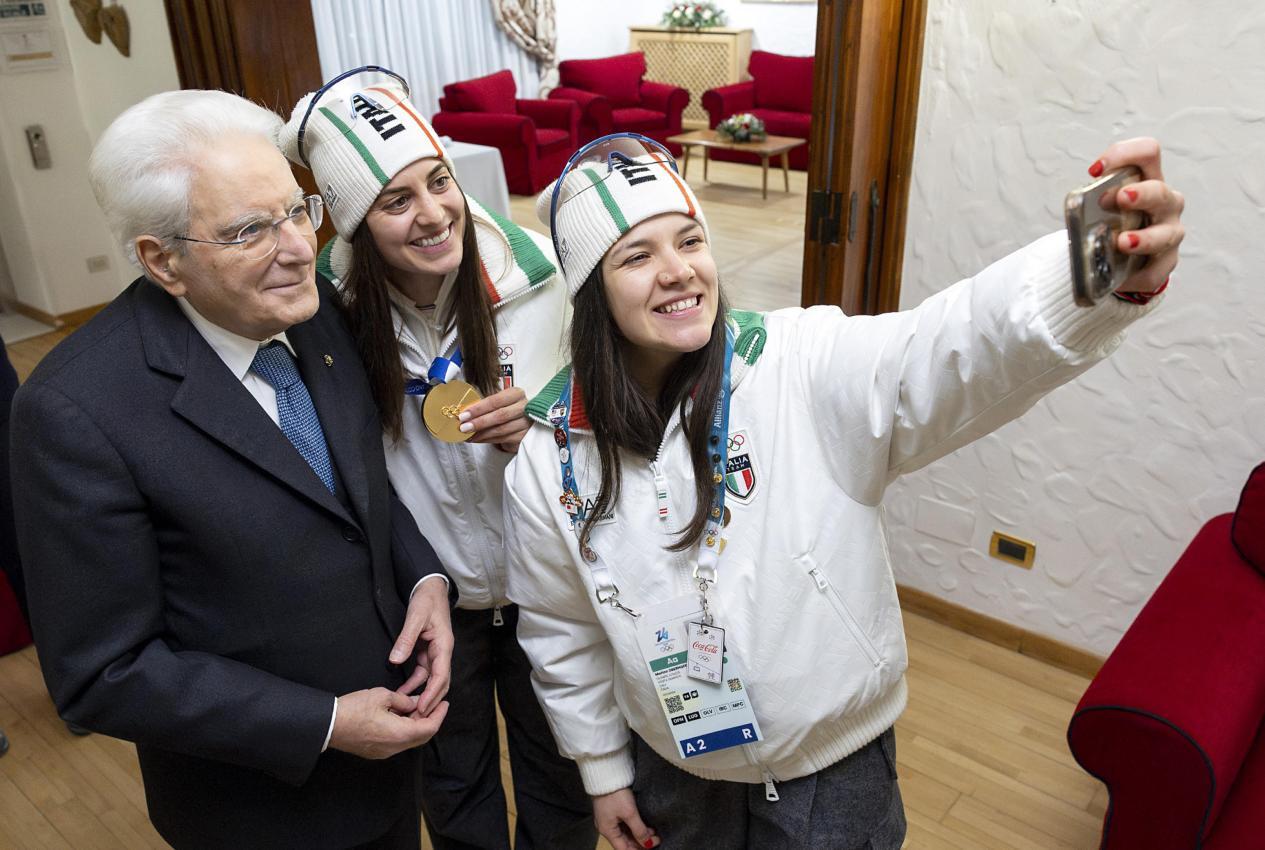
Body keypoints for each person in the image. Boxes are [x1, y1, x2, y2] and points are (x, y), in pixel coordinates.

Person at [503, 134, 1183, 850]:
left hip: (833, 768)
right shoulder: (548, 463)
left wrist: (1094, 277)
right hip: (674, 765)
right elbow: (562, 630)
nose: (678, 272)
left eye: (690, 240)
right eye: (636, 256)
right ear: (589, 293)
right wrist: (604, 771)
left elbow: (949, 345)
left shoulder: (798, 363)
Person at [9, 89, 457, 850]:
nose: (295, 248)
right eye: (249, 229)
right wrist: (325, 724)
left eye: (296, 210)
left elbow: (357, 492)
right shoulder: (76, 414)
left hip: (392, 768)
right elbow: (103, 671)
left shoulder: (316, 314)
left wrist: (425, 582)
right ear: (163, 261)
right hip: (261, 811)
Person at [279, 69, 594, 850]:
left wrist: (551, 424)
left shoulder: (543, 282)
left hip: (546, 589)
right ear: (354, 225)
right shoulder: (322, 317)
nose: (433, 214)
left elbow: (620, 416)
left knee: (564, 777)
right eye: (396, 201)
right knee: (452, 790)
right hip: (429, 606)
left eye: (439, 182)